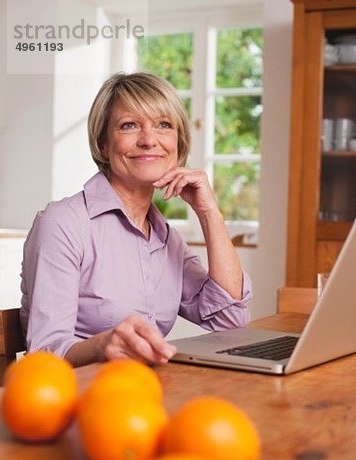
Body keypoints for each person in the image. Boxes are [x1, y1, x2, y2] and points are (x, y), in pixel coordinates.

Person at [20, 72, 252, 367]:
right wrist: (104, 345)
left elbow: (230, 319)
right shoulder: (64, 223)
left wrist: (210, 214)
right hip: (79, 398)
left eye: (164, 125)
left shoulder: (165, 237)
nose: (148, 140)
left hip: (142, 391)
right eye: (129, 125)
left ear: (178, 146)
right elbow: (44, 352)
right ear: (103, 143)